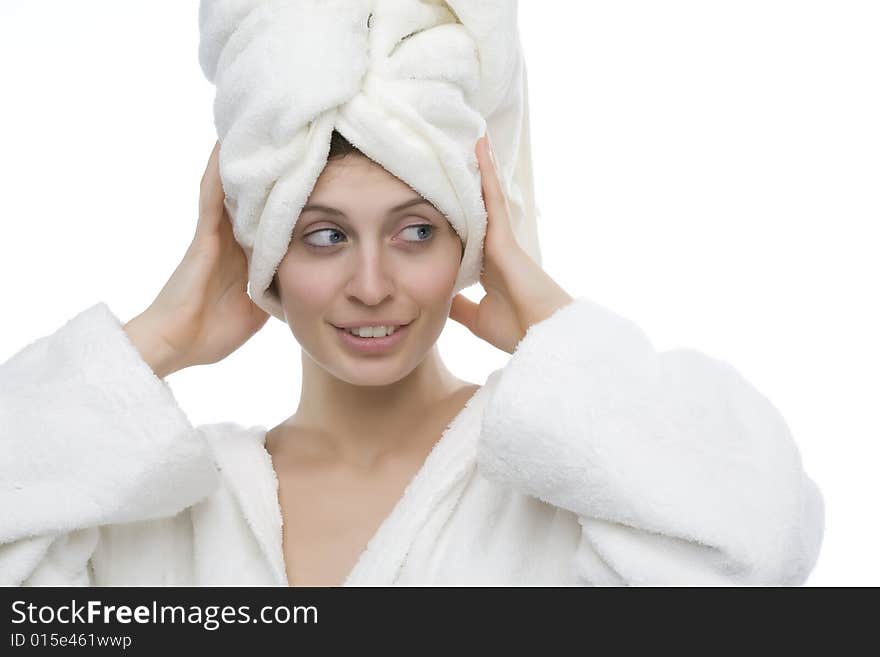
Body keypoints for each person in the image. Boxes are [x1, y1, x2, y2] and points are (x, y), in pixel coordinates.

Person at [0, 132, 824, 586]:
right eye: (323, 235)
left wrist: (556, 329)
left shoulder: (553, 485)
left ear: (474, 244)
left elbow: (760, 545)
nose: (371, 284)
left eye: (417, 231)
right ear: (263, 256)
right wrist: (156, 339)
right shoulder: (171, 511)